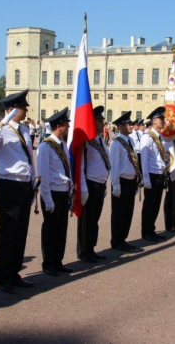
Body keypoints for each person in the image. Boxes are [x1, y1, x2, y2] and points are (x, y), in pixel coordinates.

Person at [0, 90, 35, 294]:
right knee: (8, 232)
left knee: (20, 233)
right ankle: (4, 278)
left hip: (24, 185)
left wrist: (32, 184)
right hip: (8, 184)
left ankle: (15, 273)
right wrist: (1, 124)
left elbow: (29, 158)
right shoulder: (1, 130)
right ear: (11, 110)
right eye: (22, 107)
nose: (26, 110)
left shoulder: (24, 130)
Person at [37, 108, 74, 276]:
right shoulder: (45, 146)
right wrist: (47, 198)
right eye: (66, 124)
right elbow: (43, 174)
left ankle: (58, 260)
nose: (68, 127)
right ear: (59, 126)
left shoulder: (63, 144)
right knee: (50, 230)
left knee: (61, 229)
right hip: (51, 192)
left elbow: (66, 169)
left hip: (63, 191)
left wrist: (70, 187)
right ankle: (48, 263)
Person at [77, 106, 110, 263]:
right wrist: (83, 187)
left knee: (94, 219)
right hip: (89, 184)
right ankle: (83, 250)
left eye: (102, 121)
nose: (102, 124)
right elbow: (81, 165)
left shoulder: (99, 140)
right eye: (99, 121)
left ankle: (91, 248)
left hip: (100, 184)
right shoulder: (87, 142)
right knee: (86, 219)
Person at [109, 112, 143, 252]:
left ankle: (123, 238)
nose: (131, 126)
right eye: (128, 124)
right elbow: (115, 165)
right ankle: (116, 240)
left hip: (130, 181)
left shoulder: (131, 141)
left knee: (128, 212)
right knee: (119, 212)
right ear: (120, 126)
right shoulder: (117, 143)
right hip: (121, 182)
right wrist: (115, 184)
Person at [140, 107, 168, 242]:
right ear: (154, 120)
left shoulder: (159, 136)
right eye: (161, 119)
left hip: (159, 174)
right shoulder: (147, 137)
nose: (164, 121)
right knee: (149, 205)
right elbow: (144, 160)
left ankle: (151, 229)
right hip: (151, 175)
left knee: (156, 204)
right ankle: (146, 232)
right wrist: (145, 179)